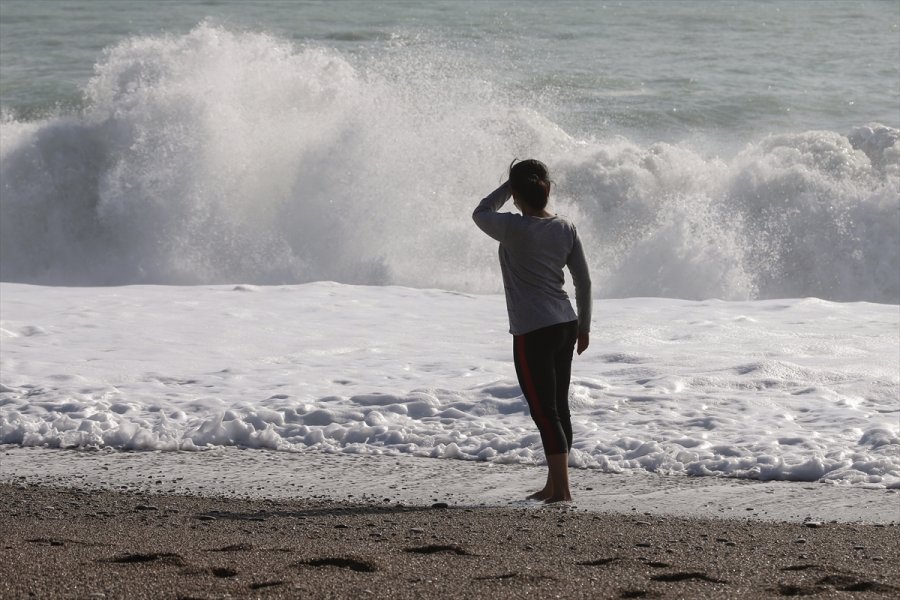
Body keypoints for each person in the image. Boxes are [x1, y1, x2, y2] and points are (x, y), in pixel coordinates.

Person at [473, 159, 592, 503]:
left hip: (533, 330)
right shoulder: (565, 227)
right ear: (547, 188)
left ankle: (562, 490)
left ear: (516, 193)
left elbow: (480, 212)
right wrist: (584, 327)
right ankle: (555, 484)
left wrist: (506, 188)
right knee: (558, 408)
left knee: (545, 411)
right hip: (565, 324)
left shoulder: (514, 228)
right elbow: (582, 281)